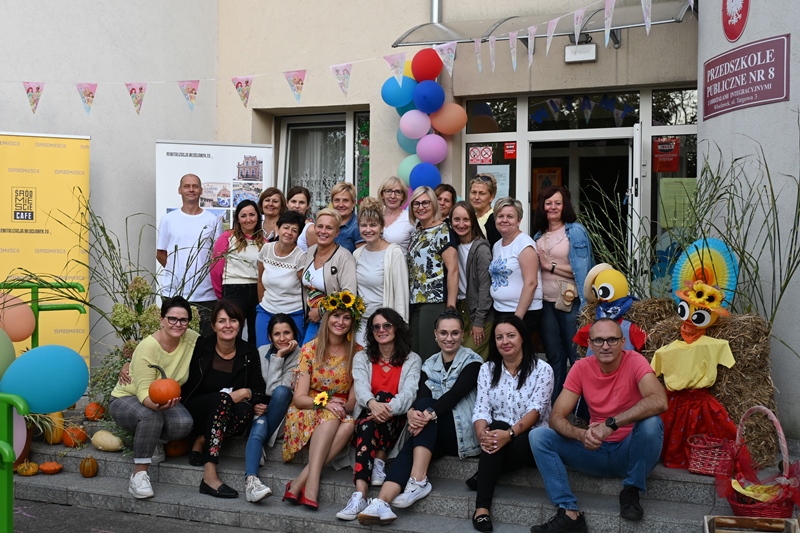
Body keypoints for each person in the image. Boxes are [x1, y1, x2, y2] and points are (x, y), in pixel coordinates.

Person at [528, 318, 667, 533]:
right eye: (599, 340)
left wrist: (611, 424)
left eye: (612, 339)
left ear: (623, 342)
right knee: (538, 436)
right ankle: (568, 512)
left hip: (629, 452)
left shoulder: (635, 361)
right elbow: (556, 417)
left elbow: (659, 400)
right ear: (590, 345)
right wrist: (581, 435)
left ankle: (631, 490)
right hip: (593, 451)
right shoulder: (581, 367)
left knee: (651, 422)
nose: (605, 346)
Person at [356, 309, 482, 526]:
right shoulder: (430, 364)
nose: (449, 338)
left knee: (424, 412)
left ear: (463, 334)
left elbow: (454, 395)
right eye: (443, 333)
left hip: (462, 435)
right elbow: (422, 394)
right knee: (414, 437)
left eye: (454, 333)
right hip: (434, 430)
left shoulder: (473, 362)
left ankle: (418, 480)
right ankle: (382, 501)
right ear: (435, 334)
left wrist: (423, 413)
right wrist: (412, 412)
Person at [469, 315, 554, 532]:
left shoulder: (542, 369)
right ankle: (482, 509)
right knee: (495, 427)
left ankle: (484, 475)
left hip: (531, 438)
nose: (505, 341)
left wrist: (509, 435)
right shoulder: (487, 369)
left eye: (511, 335)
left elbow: (536, 411)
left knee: (519, 434)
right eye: (499, 337)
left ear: (522, 337)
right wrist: (482, 435)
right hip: (497, 437)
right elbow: (481, 408)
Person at [282, 291, 365, 510]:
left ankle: (299, 481)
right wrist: (326, 403)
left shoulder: (358, 353)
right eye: (336, 315)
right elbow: (299, 399)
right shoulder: (310, 349)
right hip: (307, 409)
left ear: (352, 322)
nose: (341, 322)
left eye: (346, 317)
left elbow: (352, 401)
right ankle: (311, 487)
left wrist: (339, 406)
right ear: (327, 317)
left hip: (338, 411)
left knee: (349, 424)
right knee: (332, 415)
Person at [109, 296, 198, 499]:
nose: (178, 324)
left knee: (184, 423)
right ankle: (139, 475)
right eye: (172, 318)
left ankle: (153, 437)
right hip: (126, 398)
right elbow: (143, 394)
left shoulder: (191, 339)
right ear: (162, 319)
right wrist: (158, 407)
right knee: (150, 416)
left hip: (165, 397)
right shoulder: (149, 347)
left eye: (183, 320)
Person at [337, 308, 421, 521]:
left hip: (397, 420)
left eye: (387, 325)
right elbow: (361, 388)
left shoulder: (412, 359)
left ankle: (370, 476)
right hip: (367, 417)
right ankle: (361, 493)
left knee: (382, 400)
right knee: (368, 423)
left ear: (397, 328)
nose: (381, 330)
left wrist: (383, 408)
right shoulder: (362, 358)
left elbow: (409, 394)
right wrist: (373, 404)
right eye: (376, 327)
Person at [181, 300, 268, 499]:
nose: (227, 325)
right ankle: (209, 474)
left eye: (233, 320)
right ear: (213, 326)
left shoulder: (248, 352)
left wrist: (245, 392)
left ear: (240, 324)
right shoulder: (201, 346)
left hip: (224, 415)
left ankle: (202, 440)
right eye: (221, 321)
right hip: (197, 410)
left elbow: (259, 391)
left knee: (245, 411)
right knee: (222, 399)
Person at [533, 186, 594, 401]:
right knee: (554, 356)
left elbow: (582, 270)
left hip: (570, 300)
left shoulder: (575, 231)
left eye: (557, 203)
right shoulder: (538, 235)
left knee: (575, 354)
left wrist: (549, 266)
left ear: (564, 206)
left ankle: (581, 406)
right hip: (545, 302)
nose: (553, 207)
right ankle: (555, 406)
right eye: (548, 203)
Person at [243, 313, 302, 502]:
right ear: (270, 336)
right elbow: (254, 384)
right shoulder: (261, 352)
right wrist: (254, 404)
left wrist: (279, 356)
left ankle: (258, 445)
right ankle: (251, 481)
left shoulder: (301, 356)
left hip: (283, 414)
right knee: (259, 424)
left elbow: (275, 390)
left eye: (287, 333)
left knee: (282, 392)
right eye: (277, 334)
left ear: (294, 334)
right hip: (260, 411)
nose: (282, 338)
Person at [157, 174, 222, 335]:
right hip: (173, 292)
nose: (191, 189)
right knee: (174, 340)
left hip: (206, 294)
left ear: (201, 190)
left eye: (195, 186)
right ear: (179, 190)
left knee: (205, 342)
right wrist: (176, 272)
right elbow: (160, 253)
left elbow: (218, 256)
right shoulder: (168, 219)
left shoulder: (213, 220)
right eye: (187, 186)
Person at [407, 186, 458, 360]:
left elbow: (453, 269)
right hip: (415, 301)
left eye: (425, 203)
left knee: (429, 354)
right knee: (415, 354)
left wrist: (450, 307)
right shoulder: (417, 232)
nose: (420, 207)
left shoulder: (443, 230)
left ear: (434, 205)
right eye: (416, 203)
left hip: (434, 301)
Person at [352, 197, 409, 346]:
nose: (368, 230)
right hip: (362, 324)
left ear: (382, 227)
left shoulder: (394, 253)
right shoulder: (357, 254)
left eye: (373, 225)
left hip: (385, 325)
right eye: (363, 225)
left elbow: (401, 294)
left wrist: (399, 328)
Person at [210, 199, 265, 343]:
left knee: (256, 334)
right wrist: (222, 295)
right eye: (243, 216)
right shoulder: (227, 237)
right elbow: (215, 268)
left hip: (257, 291)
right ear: (238, 219)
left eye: (252, 215)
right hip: (234, 289)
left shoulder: (264, 242)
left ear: (258, 216)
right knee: (232, 334)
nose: (248, 219)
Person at [300, 208, 358, 343]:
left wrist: (320, 311)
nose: (323, 231)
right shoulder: (311, 251)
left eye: (329, 228)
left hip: (333, 323)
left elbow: (349, 294)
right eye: (320, 226)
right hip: (310, 320)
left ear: (337, 232)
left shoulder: (344, 258)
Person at [488, 197, 542, 339]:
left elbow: (531, 283)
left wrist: (517, 318)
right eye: (500, 216)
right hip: (501, 310)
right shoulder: (497, 245)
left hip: (522, 313)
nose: (504, 220)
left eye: (510, 216)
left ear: (519, 220)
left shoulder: (524, 244)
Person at [255, 210, 307, 347]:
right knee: (262, 351)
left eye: (294, 230)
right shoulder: (266, 249)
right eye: (286, 227)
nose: (289, 232)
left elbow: (306, 288)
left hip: (293, 313)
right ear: (278, 228)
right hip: (266, 311)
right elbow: (260, 281)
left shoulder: (301, 257)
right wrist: (263, 304)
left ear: (298, 235)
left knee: (293, 354)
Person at [450, 201, 494, 359]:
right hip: (460, 309)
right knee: (454, 356)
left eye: (466, 219)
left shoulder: (481, 249)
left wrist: (479, 322)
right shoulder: (451, 247)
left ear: (473, 221)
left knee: (466, 358)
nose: (461, 224)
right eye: (457, 219)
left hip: (479, 313)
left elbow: (485, 287)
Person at [307, 182, 363, 252]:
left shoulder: (358, 226)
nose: (341, 205)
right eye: (337, 200)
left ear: (353, 203)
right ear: (332, 202)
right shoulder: (326, 222)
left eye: (345, 201)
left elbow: (361, 256)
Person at [379, 176, 415, 252]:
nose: (393, 196)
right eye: (388, 191)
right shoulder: (375, 216)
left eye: (398, 192)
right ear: (382, 195)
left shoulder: (410, 218)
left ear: (403, 196)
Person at [469, 174, 501, 246]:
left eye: (482, 193)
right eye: (473, 192)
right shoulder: (470, 218)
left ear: (491, 197)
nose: (476, 197)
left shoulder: (495, 220)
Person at [286, 185, 314, 252]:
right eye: (293, 201)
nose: (297, 206)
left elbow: (314, 255)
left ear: (308, 205)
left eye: (301, 202)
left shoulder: (311, 229)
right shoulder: (281, 224)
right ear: (287, 203)